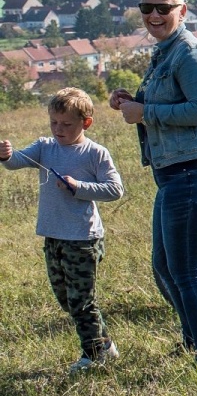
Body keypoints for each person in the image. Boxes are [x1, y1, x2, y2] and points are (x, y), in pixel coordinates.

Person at [109, 0, 197, 370]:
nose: (154, 16)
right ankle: (194, 343)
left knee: (191, 274)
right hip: (175, 175)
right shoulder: (165, 52)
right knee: (166, 267)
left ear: (183, 10)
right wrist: (132, 101)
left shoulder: (190, 52)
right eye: (147, 8)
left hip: (196, 174)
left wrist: (145, 112)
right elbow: (171, 101)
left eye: (164, 8)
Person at [1, 88, 125, 375]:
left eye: (67, 124)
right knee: (67, 300)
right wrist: (5, 155)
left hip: (82, 239)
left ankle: (93, 355)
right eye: (54, 122)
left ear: (86, 123)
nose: (59, 129)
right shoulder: (45, 147)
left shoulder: (95, 153)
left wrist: (79, 187)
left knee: (82, 301)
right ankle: (104, 344)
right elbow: (16, 161)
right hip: (53, 236)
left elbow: (115, 190)